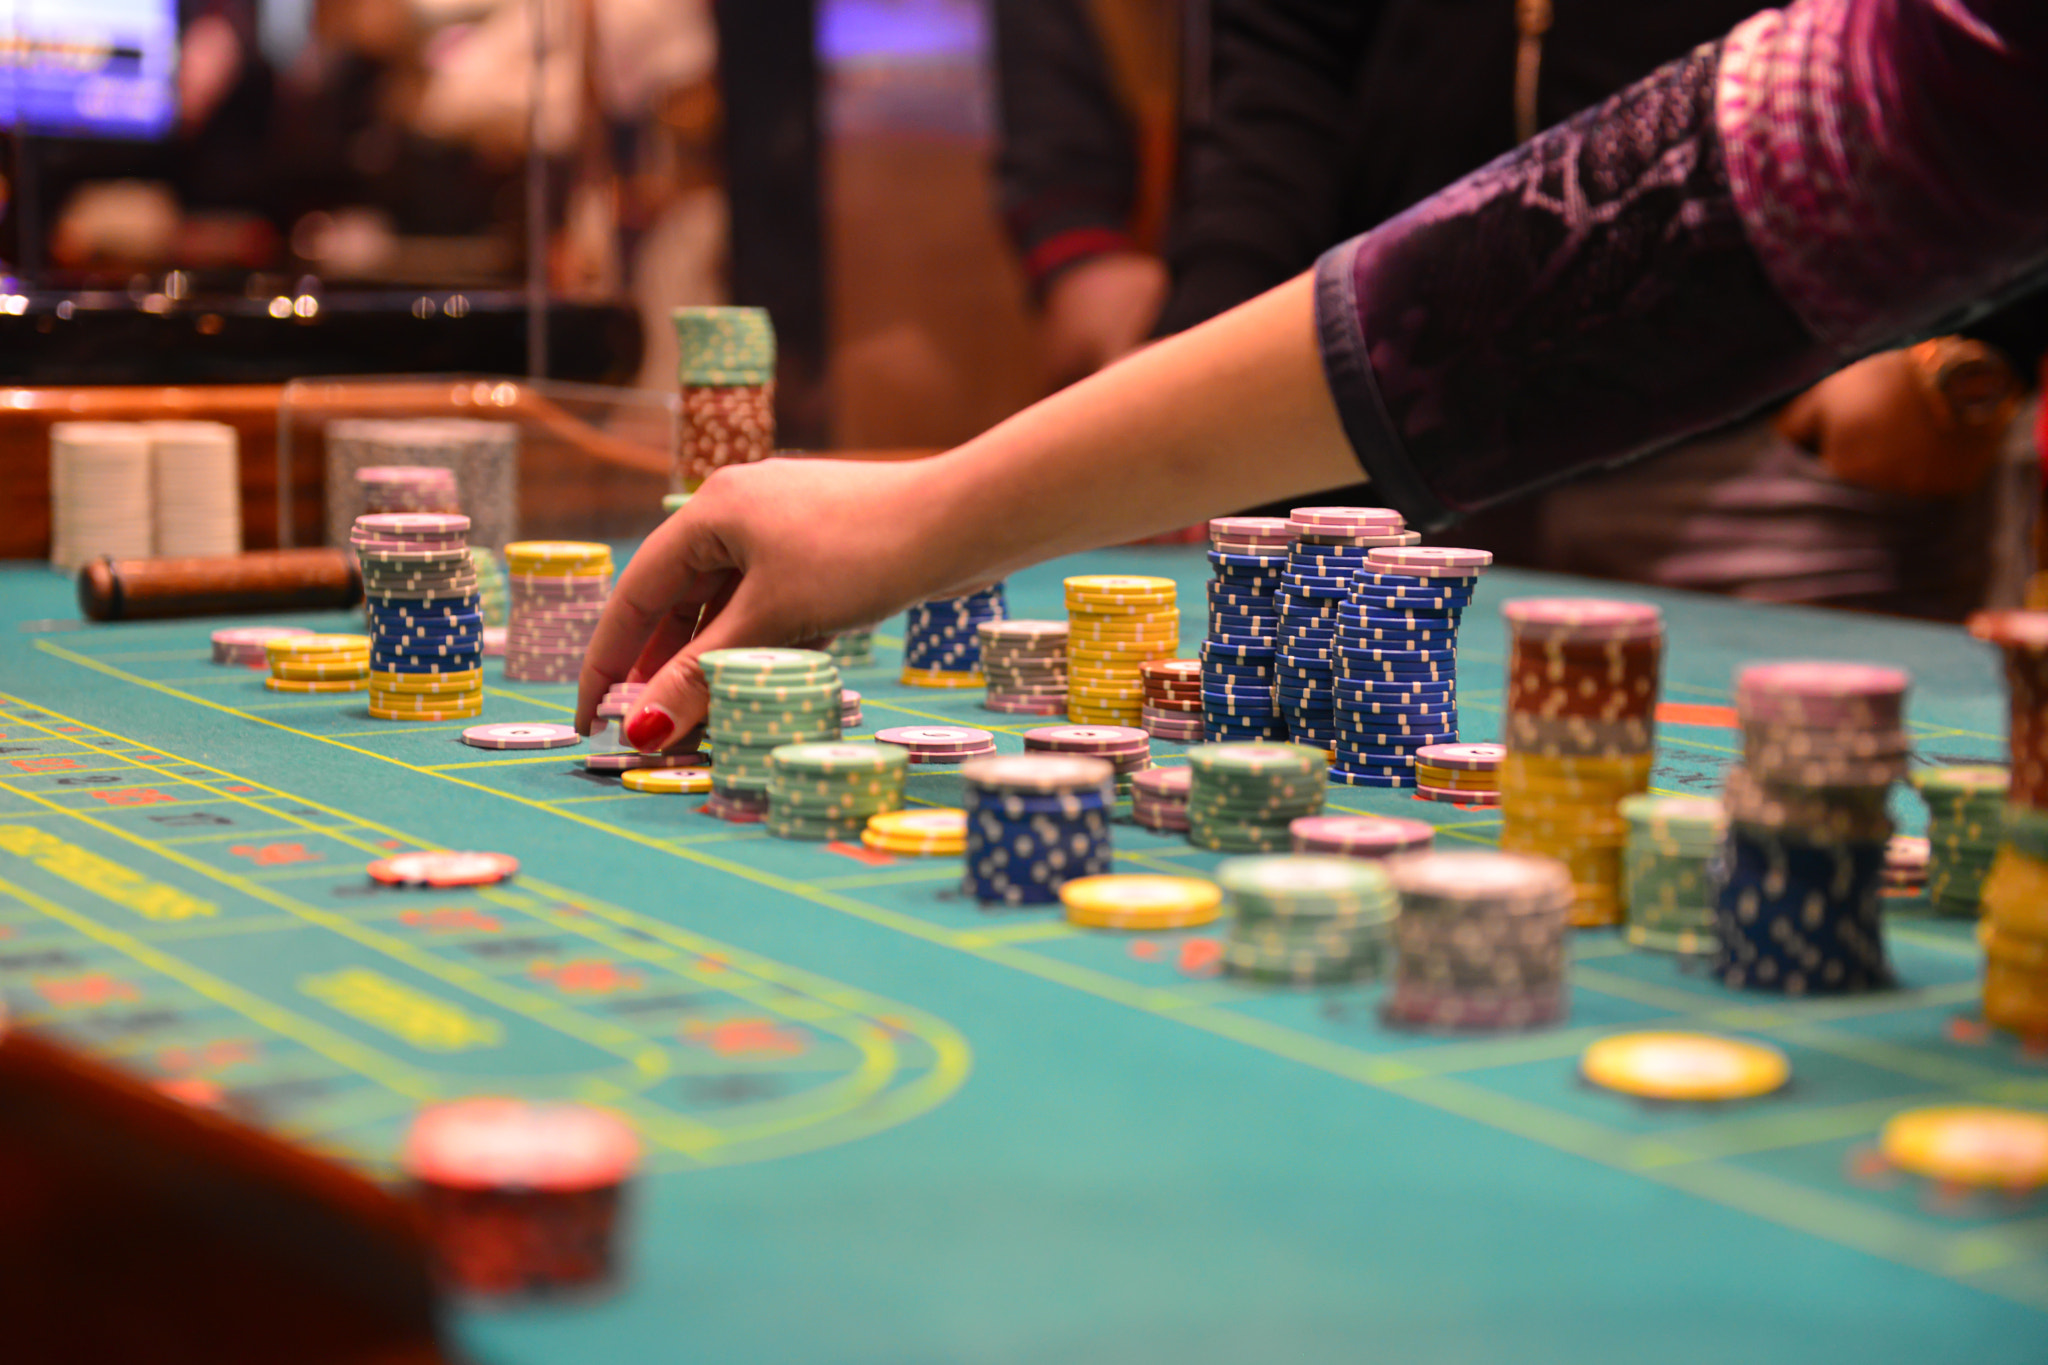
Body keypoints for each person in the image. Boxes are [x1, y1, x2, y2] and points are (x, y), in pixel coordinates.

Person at [589, 0, 2048, 753]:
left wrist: (1987, 347)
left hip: (1783, 424)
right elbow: (1754, 169)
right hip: (1447, 401)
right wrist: (1104, 443)